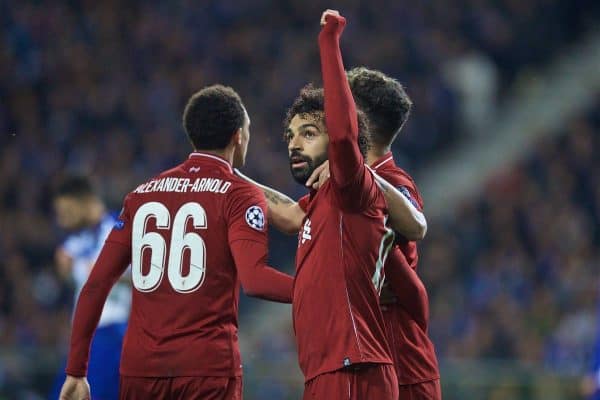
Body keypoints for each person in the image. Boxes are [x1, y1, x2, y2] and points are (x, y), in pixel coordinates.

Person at [59, 85, 294, 400]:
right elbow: (256, 280)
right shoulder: (240, 194)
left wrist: (76, 371)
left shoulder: (140, 195)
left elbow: (95, 285)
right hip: (205, 368)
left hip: (141, 372)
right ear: (238, 136)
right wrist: (315, 290)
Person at [238, 52, 440, 400]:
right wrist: (225, 175)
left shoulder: (393, 181)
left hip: (398, 362)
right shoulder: (336, 186)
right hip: (368, 360)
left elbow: (415, 224)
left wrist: (365, 174)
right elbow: (291, 215)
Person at [288, 9, 400, 399]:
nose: (294, 143)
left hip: (354, 368)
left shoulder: (352, 189)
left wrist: (328, 41)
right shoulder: (318, 203)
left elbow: (342, 137)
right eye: (290, 134)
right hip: (325, 371)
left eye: (308, 133)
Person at [50, 175, 130, 400]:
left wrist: (109, 272)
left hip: (112, 332)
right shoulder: (78, 240)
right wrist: (66, 270)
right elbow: (77, 276)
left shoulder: (120, 227)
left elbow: (145, 274)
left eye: (66, 212)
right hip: (86, 338)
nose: (61, 219)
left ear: (84, 202)